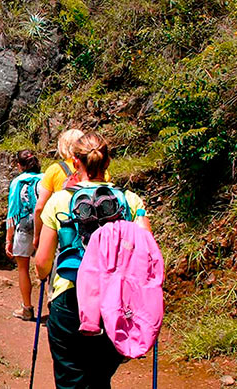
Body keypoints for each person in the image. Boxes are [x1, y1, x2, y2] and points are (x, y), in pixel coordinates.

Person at [32, 132, 151, 388]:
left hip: (69, 300)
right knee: (100, 378)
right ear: (108, 162)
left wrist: (43, 275)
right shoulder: (129, 201)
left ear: (76, 162)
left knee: (70, 378)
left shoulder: (60, 200)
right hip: (116, 302)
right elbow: (147, 252)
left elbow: (42, 262)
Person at [5, 150, 43, 321]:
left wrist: (8, 239)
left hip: (23, 225)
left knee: (23, 268)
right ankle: (51, 304)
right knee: (48, 268)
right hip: (44, 225)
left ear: (19, 165)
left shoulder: (17, 182)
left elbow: (12, 213)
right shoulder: (45, 179)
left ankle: (27, 309)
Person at [33, 129, 83, 249]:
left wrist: (37, 235)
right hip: (91, 229)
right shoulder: (97, 170)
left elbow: (39, 208)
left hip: (62, 229)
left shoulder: (55, 170)